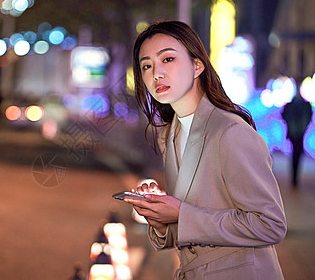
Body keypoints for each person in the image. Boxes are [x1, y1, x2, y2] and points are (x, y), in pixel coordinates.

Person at [123, 21, 287, 280]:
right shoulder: (170, 134)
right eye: (147, 65)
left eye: (168, 59)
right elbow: (195, 227)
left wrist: (180, 213)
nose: (156, 73)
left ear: (197, 65)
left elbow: (270, 225)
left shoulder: (230, 132)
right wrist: (161, 220)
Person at [281, 91, 313, 188]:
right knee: (296, 155)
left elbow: (283, 115)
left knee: (295, 155)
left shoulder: (292, 106)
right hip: (298, 133)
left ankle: (294, 178)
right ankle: (294, 178)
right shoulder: (305, 106)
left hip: (296, 133)